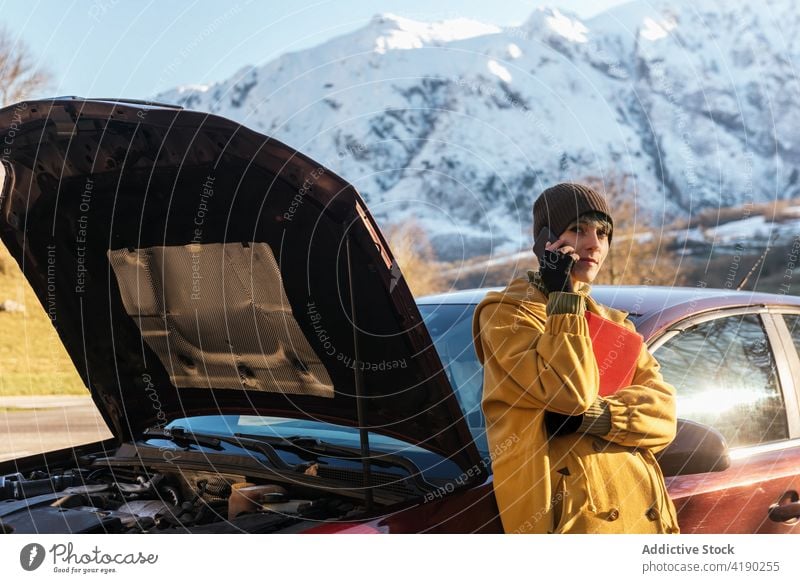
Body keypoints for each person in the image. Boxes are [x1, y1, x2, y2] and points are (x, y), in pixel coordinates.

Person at [471, 182, 680, 534]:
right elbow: (569, 394)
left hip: (644, 520)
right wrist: (562, 299)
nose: (594, 244)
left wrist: (596, 418)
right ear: (545, 241)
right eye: (578, 229)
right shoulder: (507, 313)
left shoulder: (616, 324)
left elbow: (664, 416)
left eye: (603, 233)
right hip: (573, 522)